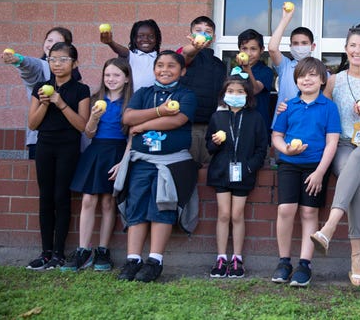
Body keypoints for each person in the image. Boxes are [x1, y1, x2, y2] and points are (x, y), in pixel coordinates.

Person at [309, 27, 360, 287]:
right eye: (352, 46)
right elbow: (319, 112)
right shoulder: (334, 81)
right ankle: (357, 260)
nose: (357, 51)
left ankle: (330, 227)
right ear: (346, 49)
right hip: (344, 144)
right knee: (359, 180)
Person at [116, 50, 197, 282]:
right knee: (137, 209)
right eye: (160, 65)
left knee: (162, 208)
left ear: (182, 71)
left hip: (171, 164)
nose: (164, 69)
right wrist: (159, 112)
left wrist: (143, 125)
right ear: (154, 69)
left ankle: (155, 261)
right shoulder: (143, 93)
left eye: (171, 66)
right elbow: (128, 118)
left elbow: (178, 120)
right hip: (141, 161)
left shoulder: (186, 95)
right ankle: (133, 259)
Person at [270, 57, 341, 287]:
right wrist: (286, 151)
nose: (306, 79)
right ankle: (284, 262)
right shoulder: (288, 106)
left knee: (309, 213)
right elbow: (276, 137)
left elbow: (332, 142)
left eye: (312, 75)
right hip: (289, 164)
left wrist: (321, 172)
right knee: (285, 210)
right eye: (302, 75)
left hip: (315, 166)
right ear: (295, 80)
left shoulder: (329, 107)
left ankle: (304, 264)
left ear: (322, 79)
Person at [61, 58, 133, 272]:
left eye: (116, 75)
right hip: (97, 151)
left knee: (108, 203)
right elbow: (89, 133)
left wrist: (123, 162)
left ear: (126, 78)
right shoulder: (95, 99)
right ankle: (83, 250)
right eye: (107, 75)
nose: (111, 79)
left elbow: (133, 136)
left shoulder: (132, 103)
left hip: (118, 152)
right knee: (88, 200)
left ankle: (103, 250)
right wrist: (93, 117)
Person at [25, 42, 90, 270]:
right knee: (46, 197)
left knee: (61, 196)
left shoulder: (81, 90)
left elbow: (82, 126)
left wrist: (61, 104)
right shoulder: (40, 87)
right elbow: (33, 124)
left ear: (74, 63)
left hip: (68, 148)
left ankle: (59, 254)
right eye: (53, 59)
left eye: (63, 59)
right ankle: (45, 253)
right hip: (45, 145)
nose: (57, 64)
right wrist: (44, 104)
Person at [206, 70, 267, 279]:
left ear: (247, 95)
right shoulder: (217, 116)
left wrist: (250, 167)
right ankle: (221, 257)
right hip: (221, 172)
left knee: (236, 214)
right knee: (223, 214)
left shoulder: (255, 117)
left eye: (239, 91)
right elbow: (208, 146)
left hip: (243, 173)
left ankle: (237, 258)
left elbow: (261, 148)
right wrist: (214, 143)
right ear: (224, 94)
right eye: (230, 90)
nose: (234, 94)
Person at [2, 27, 81, 159]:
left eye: (57, 41)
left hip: (68, 140)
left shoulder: (75, 77)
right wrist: (19, 60)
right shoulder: (41, 66)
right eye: (49, 40)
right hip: (40, 139)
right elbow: (30, 65)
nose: (51, 44)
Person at [177, 16, 227, 164]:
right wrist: (195, 47)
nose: (203, 34)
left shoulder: (219, 64)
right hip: (187, 124)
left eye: (208, 31)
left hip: (211, 125)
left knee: (208, 170)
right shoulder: (184, 54)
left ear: (214, 37)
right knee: (187, 168)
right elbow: (186, 54)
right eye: (198, 31)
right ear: (190, 34)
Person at [268, 5, 317, 129]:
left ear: (313, 46)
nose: (300, 46)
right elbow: (273, 48)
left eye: (304, 43)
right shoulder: (285, 66)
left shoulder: (320, 70)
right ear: (290, 47)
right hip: (283, 126)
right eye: (295, 44)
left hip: (310, 126)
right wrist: (286, 19)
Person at [101, 19, 162, 91]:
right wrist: (110, 42)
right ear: (134, 38)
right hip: (131, 99)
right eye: (140, 36)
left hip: (152, 100)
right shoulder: (132, 56)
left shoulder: (160, 58)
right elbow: (122, 52)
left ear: (157, 39)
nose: (145, 39)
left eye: (151, 36)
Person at [235, 29, 274, 138]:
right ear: (239, 50)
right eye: (244, 48)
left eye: (253, 49)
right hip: (238, 125)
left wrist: (247, 68)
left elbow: (254, 90)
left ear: (262, 50)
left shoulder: (266, 71)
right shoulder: (235, 70)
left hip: (259, 127)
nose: (248, 53)